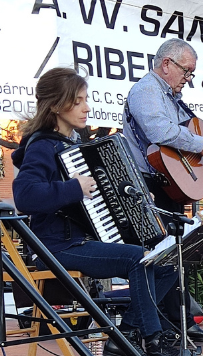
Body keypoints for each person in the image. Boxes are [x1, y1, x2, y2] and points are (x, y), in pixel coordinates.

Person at [11, 67, 178, 356]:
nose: (87, 108)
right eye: (77, 101)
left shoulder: (73, 145)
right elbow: (24, 196)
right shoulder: (41, 146)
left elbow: (95, 197)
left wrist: (136, 193)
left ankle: (124, 335)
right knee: (138, 259)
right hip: (56, 245)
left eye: (85, 99)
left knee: (167, 263)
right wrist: (73, 188)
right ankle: (152, 339)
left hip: (81, 241)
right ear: (54, 105)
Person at [123, 38, 203, 340]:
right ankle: (148, 328)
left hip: (169, 185)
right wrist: (200, 144)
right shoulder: (145, 90)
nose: (188, 79)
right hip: (148, 186)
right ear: (167, 64)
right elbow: (160, 132)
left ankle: (176, 324)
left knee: (172, 257)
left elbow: (195, 136)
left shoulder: (171, 97)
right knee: (158, 259)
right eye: (186, 72)